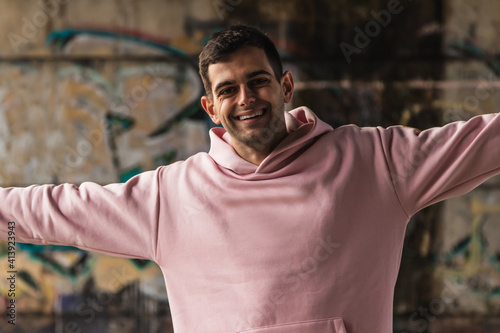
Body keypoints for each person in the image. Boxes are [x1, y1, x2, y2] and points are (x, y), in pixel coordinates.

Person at [1, 24, 500, 333]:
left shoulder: (377, 162)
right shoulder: (169, 197)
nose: (247, 99)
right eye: (229, 89)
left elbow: (485, 140)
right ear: (210, 107)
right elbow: (55, 207)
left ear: (284, 85)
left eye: (258, 81)